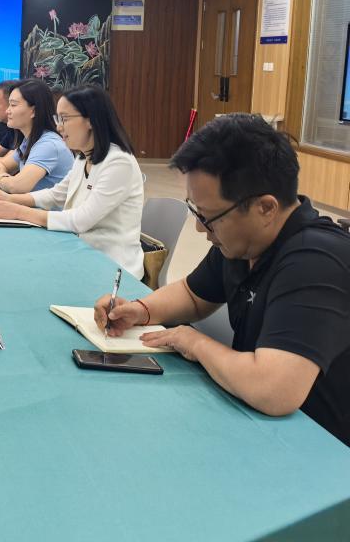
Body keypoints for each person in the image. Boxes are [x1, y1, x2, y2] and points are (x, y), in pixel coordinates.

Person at [94, 114, 350, 446]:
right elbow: (193, 294)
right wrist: (140, 310)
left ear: (265, 208)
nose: (200, 229)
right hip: (255, 421)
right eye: (196, 211)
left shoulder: (316, 261)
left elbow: (274, 390)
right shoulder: (245, 241)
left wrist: (195, 342)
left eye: (208, 217)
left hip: (319, 447)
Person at [0, 85, 143, 278]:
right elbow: (56, 194)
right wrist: (9, 199)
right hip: (80, 251)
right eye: (58, 119)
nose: (59, 126)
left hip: (111, 268)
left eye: (64, 119)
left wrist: (18, 211)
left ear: (90, 120)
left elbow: (81, 220)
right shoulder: (83, 157)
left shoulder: (119, 162)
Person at [0, 78, 73, 193]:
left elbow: (17, 187)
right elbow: (1, 164)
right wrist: (2, 177)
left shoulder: (48, 144)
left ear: (34, 111)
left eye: (13, 105)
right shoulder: (30, 140)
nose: (8, 111)